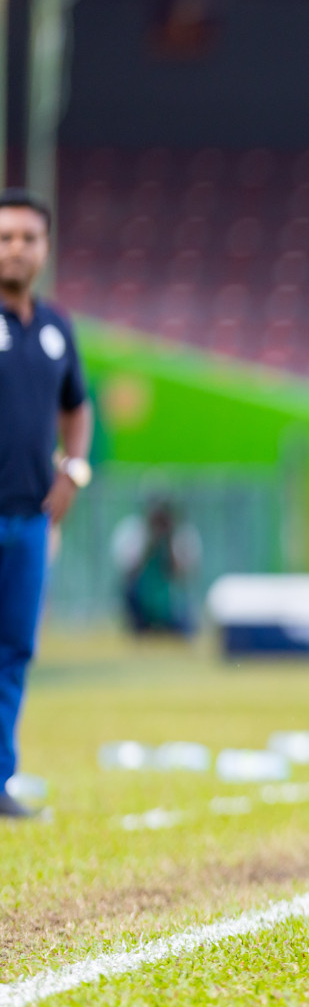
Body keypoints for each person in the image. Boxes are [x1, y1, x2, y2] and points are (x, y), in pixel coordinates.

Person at [0, 189, 92, 819]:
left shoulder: (57, 327)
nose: (16, 248)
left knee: (14, 649)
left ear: (45, 247)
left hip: (30, 521)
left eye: (28, 238)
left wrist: (74, 471)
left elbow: (77, 405)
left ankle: (1, 780)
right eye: (5, 237)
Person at [111, 497, 201, 636]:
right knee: (130, 590)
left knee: (184, 619)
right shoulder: (138, 533)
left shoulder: (178, 536)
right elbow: (131, 570)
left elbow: (180, 574)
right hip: (143, 599)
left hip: (168, 603)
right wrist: (151, 540)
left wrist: (169, 540)